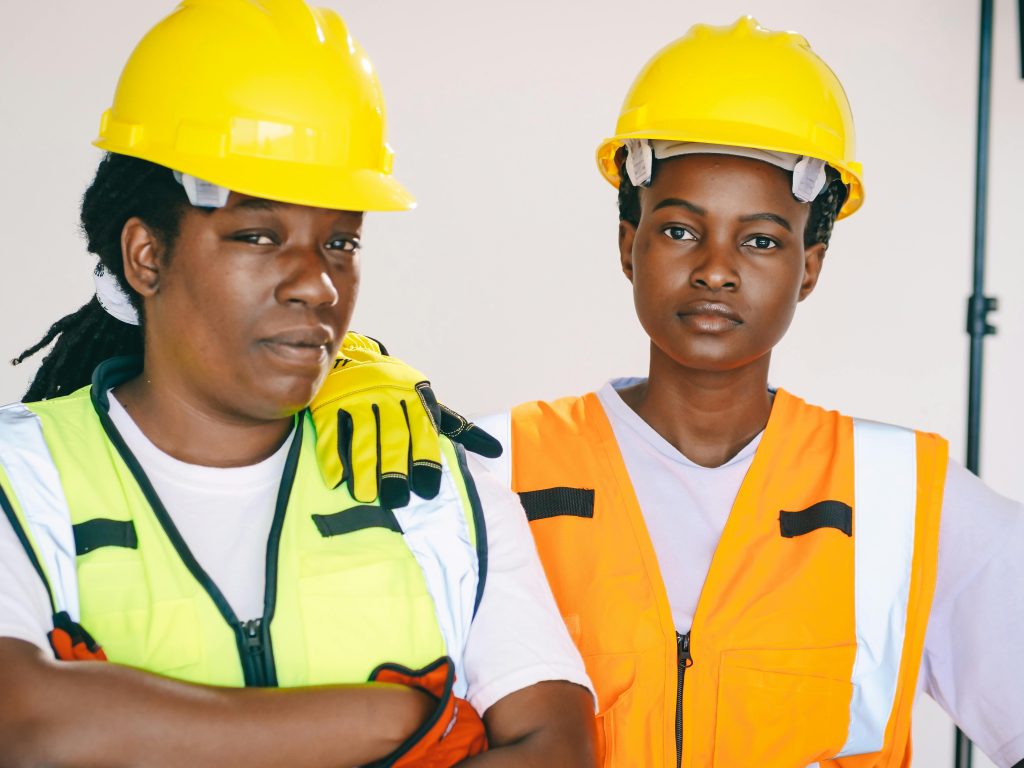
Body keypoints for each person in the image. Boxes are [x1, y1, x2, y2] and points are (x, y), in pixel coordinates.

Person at [310, 17, 1024, 768]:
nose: (715, 269)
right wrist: (317, 392)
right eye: (681, 231)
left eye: (761, 240)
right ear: (630, 245)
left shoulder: (903, 499)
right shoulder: (491, 468)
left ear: (809, 267)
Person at [0, 1, 596, 766]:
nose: (318, 284)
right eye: (258, 235)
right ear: (147, 256)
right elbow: (23, 723)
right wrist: (393, 717)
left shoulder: (433, 487)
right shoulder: (22, 480)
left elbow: (557, 749)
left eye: (341, 242)